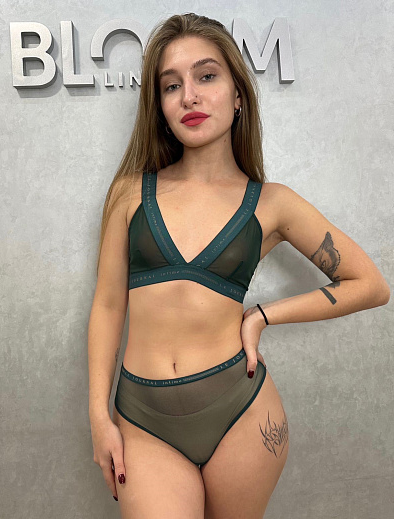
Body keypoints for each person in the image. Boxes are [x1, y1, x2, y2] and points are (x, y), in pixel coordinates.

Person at [88, 12, 390, 519]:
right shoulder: (129, 193)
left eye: (206, 76)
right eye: (171, 85)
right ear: (159, 106)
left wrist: (262, 316)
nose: (189, 96)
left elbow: (371, 284)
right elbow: (107, 305)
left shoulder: (273, 203)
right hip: (142, 420)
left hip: (242, 414)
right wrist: (99, 416)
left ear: (238, 96)